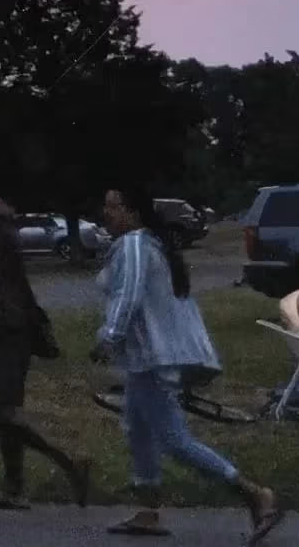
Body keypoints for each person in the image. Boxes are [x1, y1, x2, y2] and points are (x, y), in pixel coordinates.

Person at [94, 187, 283, 542]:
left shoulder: (135, 244)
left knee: (173, 439)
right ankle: (148, 512)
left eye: (112, 206)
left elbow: (128, 294)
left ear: (132, 212)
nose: (105, 213)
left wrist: (109, 336)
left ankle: (256, 494)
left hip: (153, 359)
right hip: (144, 359)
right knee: (138, 431)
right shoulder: (150, 244)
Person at [0, 198, 92, 510]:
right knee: (8, 410)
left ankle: (70, 459)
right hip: (16, 328)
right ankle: (14, 487)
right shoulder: (1, 222)